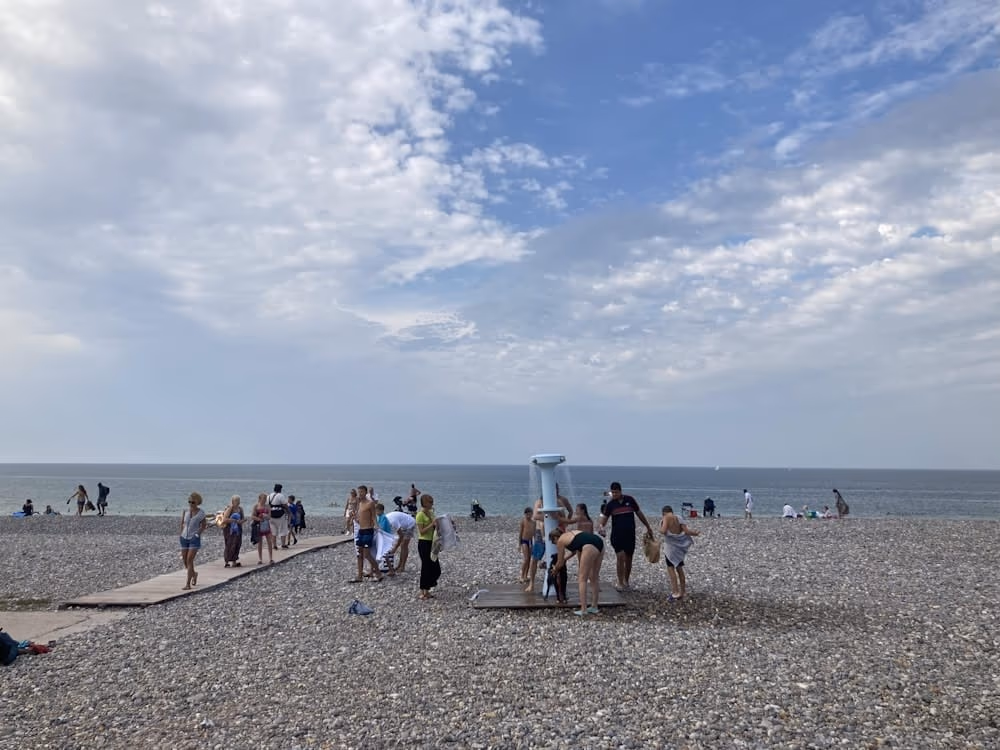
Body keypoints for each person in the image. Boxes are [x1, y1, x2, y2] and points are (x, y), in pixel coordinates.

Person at [597, 482, 655, 591]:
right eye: (613, 492)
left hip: (630, 534)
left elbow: (639, 513)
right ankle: (620, 582)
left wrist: (648, 526)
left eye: (616, 492)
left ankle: (626, 581)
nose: (614, 494)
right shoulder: (610, 505)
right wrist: (601, 527)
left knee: (629, 558)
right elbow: (603, 519)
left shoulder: (630, 500)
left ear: (620, 491)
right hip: (617, 535)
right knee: (620, 557)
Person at [550, 528, 605, 616]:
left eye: (554, 542)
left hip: (589, 546)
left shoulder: (560, 540)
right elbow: (574, 551)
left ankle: (583, 609)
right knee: (593, 577)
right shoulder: (571, 534)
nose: (556, 544)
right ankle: (594, 607)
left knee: (582, 579)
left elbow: (559, 562)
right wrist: (565, 559)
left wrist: (555, 570)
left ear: (555, 538)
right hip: (599, 542)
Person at [660, 505, 700, 602]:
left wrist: (659, 529)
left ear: (664, 513)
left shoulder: (666, 517)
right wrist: (695, 533)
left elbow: (663, 531)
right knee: (679, 568)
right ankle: (682, 592)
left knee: (671, 569)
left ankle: (675, 592)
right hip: (679, 547)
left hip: (670, 547)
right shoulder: (679, 517)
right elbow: (686, 531)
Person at [350, 486, 384, 583]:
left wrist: (377, 526)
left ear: (366, 493)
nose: (360, 494)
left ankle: (378, 573)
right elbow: (359, 519)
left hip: (368, 531)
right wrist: (354, 518)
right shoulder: (359, 504)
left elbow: (374, 516)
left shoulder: (370, 503)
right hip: (361, 531)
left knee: (367, 554)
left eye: (362, 492)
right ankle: (359, 576)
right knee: (359, 554)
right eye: (359, 492)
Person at [179, 492, 207, 590]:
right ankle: (194, 574)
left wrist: (197, 534)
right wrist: (180, 534)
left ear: (197, 502)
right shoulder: (185, 511)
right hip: (184, 537)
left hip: (194, 539)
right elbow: (182, 523)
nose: (191, 504)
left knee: (189, 560)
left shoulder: (201, 513)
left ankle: (188, 584)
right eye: (189, 502)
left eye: (193, 502)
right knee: (185, 562)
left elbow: (203, 526)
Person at [416, 493, 440, 600]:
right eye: (430, 502)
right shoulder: (420, 515)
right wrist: (432, 524)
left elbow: (436, 526)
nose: (432, 503)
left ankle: (428, 587)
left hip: (432, 542)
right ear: (424, 503)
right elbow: (421, 532)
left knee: (436, 568)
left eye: (432, 501)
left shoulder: (431, 513)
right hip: (424, 543)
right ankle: (423, 591)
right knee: (426, 567)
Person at [384, 509, 417, 573]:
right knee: (402, 544)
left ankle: (402, 566)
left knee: (404, 545)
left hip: (410, 523)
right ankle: (399, 565)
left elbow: (401, 536)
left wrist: (395, 548)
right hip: (402, 524)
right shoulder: (384, 521)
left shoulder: (393, 522)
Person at [221, 495, 245, 568]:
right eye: (236, 501)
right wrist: (234, 520)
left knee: (237, 544)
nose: (238, 502)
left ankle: (234, 561)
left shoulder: (240, 509)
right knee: (229, 544)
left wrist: (241, 521)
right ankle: (227, 561)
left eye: (238, 500)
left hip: (238, 529)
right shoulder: (230, 509)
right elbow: (224, 519)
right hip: (229, 530)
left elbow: (243, 518)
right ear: (232, 501)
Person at [252, 493, 275, 565]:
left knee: (269, 542)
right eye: (263, 499)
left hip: (266, 526)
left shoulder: (267, 506)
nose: (264, 500)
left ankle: (271, 558)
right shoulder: (256, 506)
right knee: (260, 543)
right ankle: (260, 559)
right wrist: (259, 519)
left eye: (265, 499)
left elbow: (269, 517)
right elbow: (252, 516)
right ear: (259, 499)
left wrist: (265, 516)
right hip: (259, 526)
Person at [268, 483, 290, 549]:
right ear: (280, 489)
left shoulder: (269, 496)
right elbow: (285, 505)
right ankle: (283, 544)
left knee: (273, 531)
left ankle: (274, 545)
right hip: (280, 515)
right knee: (283, 529)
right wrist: (289, 512)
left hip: (271, 515)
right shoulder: (281, 496)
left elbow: (267, 505)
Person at [517, 507, 535, 584]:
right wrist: (519, 544)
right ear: (525, 514)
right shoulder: (523, 521)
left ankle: (525, 576)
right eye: (527, 514)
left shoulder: (533, 522)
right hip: (524, 541)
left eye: (530, 514)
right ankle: (521, 576)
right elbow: (520, 533)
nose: (528, 515)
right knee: (526, 558)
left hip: (530, 541)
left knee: (530, 559)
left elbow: (534, 534)